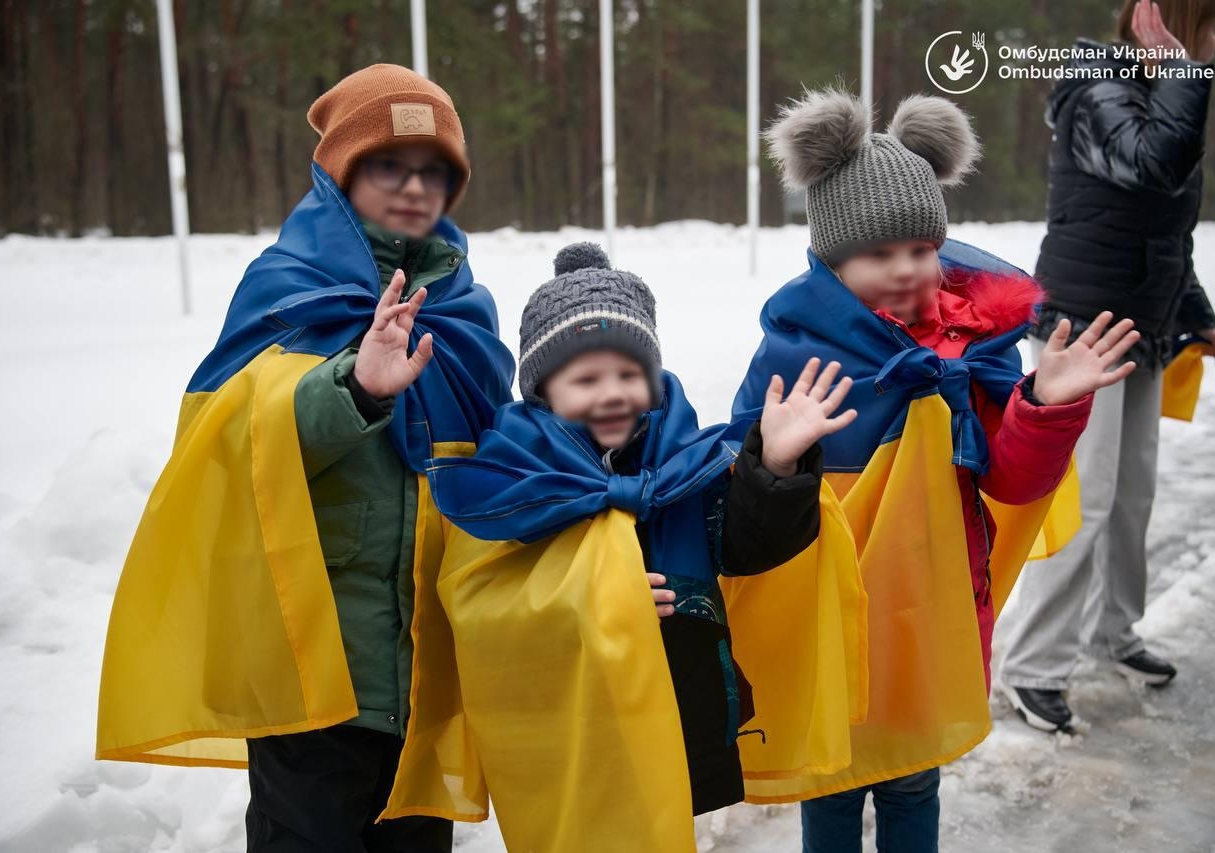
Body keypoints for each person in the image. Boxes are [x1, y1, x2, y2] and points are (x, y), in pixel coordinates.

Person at [96, 64, 515, 852]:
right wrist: (354, 386)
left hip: (427, 675)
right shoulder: (286, 286)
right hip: (311, 674)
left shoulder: (464, 308)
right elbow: (225, 447)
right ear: (339, 174)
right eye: (387, 165)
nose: (414, 187)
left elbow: (498, 473)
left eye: (434, 170)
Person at [726, 86, 1140, 852]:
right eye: (878, 254)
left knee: (915, 780)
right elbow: (738, 501)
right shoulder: (793, 352)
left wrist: (1043, 406)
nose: (906, 270)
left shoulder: (970, 350)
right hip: (836, 624)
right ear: (832, 258)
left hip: (933, 613)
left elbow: (1010, 483)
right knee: (834, 784)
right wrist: (774, 456)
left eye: (920, 249)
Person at [414, 242, 863, 851]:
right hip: (569, 727)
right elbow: (479, 605)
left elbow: (746, 548)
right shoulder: (512, 480)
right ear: (543, 390)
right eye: (586, 379)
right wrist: (594, 591)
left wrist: (776, 468)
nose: (612, 394)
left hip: (676, 714)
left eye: (630, 375)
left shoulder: (685, 463)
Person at [997, 0, 1215, 732]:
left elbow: (1164, 229)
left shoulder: (1161, 94)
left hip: (1145, 325)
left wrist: (1195, 311)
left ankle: (1111, 630)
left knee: (1131, 498)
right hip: (1084, 328)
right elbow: (1153, 167)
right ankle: (1032, 665)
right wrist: (1186, 75)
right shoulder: (1098, 88)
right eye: (1212, 24)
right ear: (1172, 22)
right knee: (1084, 498)